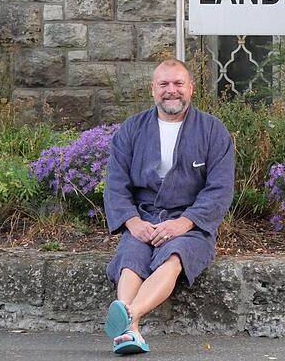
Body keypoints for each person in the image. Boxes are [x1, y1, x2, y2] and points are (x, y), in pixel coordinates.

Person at [102, 59, 235, 355]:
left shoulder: (213, 131)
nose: (171, 91)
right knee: (131, 257)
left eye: (178, 84)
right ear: (153, 89)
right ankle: (131, 331)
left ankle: (129, 320)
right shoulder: (132, 129)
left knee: (174, 257)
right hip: (144, 218)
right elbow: (115, 183)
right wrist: (133, 222)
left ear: (191, 88)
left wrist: (184, 223)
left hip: (191, 225)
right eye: (163, 84)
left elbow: (220, 188)